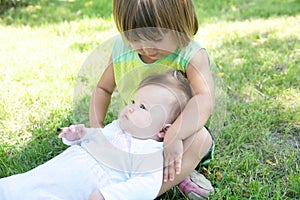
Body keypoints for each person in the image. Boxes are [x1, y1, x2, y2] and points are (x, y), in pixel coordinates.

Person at [0, 70, 194, 200]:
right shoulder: (117, 127)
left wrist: (107, 196)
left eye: (142, 107)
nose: (131, 108)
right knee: (23, 185)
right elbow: (96, 138)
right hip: (65, 166)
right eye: (134, 101)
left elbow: (146, 187)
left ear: (162, 130)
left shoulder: (150, 153)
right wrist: (79, 135)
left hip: (86, 183)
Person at [89, 0, 215, 199]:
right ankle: (130, 175)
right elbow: (103, 88)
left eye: (155, 37)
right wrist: (96, 129)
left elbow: (204, 98)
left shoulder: (191, 54)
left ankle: (169, 177)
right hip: (133, 132)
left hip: (177, 136)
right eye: (134, 38)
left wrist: (174, 135)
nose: (146, 48)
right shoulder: (122, 49)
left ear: (178, 25)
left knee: (202, 140)